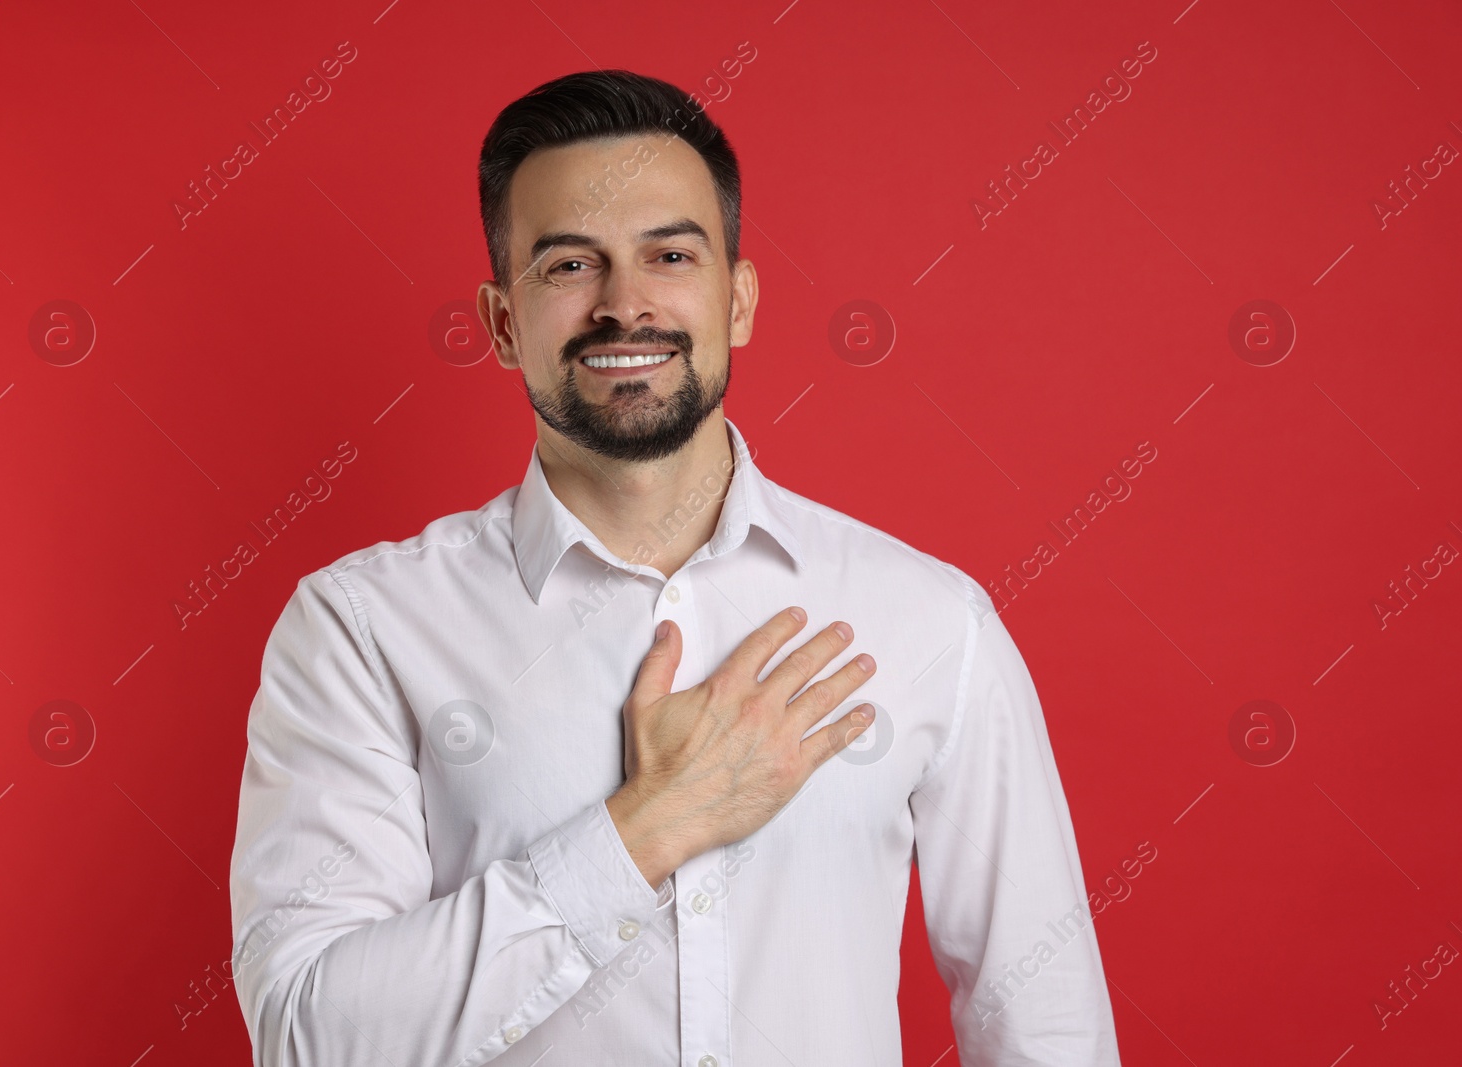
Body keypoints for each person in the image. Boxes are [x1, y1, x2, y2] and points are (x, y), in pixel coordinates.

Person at [229, 69, 1120, 1067]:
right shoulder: (362, 626)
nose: (624, 305)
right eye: (569, 264)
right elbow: (308, 1034)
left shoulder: (926, 619)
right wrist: (643, 828)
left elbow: (1045, 1025)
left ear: (735, 299)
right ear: (501, 320)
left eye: (670, 254)